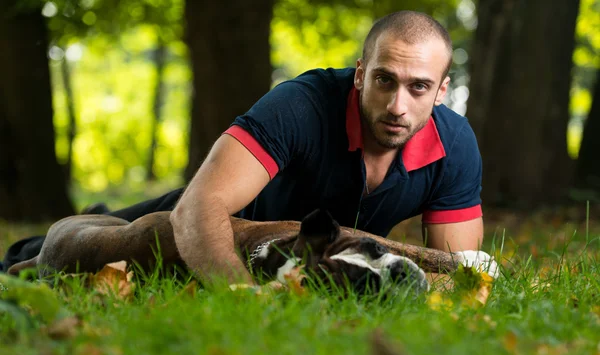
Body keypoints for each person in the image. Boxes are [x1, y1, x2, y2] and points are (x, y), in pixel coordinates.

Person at [2, 11, 486, 285]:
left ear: (441, 91)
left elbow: (461, 273)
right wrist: (242, 298)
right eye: (384, 80)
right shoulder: (301, 106)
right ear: (360, 73)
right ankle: (29, 248)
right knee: (81, 242)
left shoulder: (455, 145)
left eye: (419, 87)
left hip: (298, 252)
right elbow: (197, 210)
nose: (398, 105)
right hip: (196, 232)